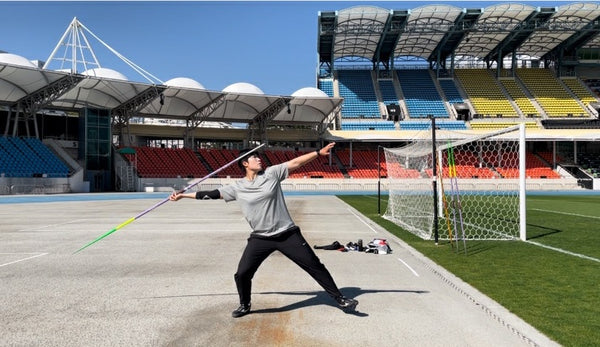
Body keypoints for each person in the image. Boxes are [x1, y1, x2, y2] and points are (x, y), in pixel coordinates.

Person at [169, 142, 358, 318]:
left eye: (260, 157)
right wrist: (183, 195)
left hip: (287, 234)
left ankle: (341, 299)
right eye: (255, 157)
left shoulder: (272, 174)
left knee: (315, 266)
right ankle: (245, 305)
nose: (260, 159)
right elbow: (210, 194)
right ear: (244, 163)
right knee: (242, 274)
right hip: (261, 238)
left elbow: (295, 163)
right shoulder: (237, 187)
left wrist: (318, 153)